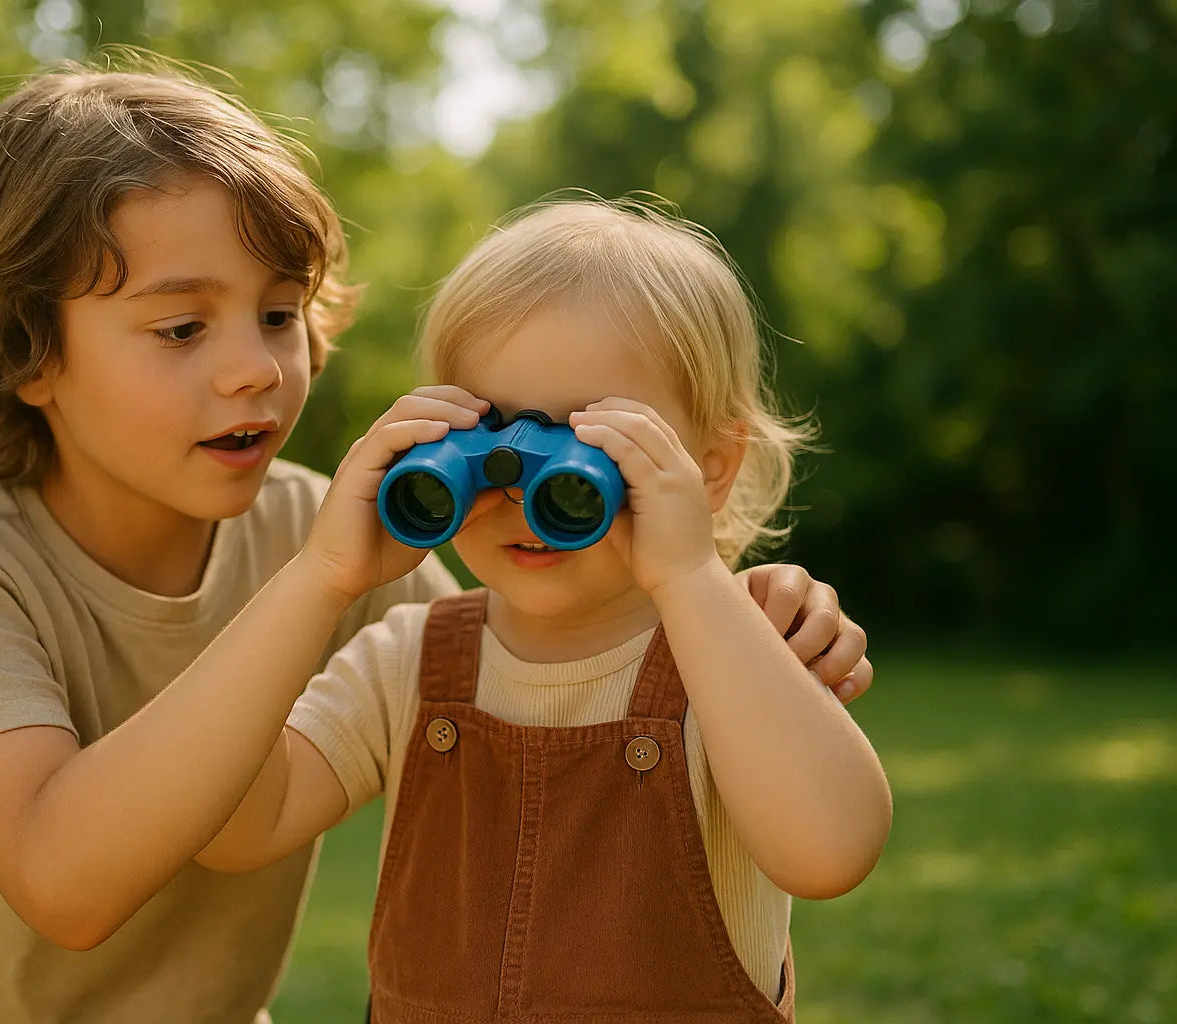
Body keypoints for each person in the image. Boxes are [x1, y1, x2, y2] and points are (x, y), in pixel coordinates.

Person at [0, 59, 875, 1024]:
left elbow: (552, 645)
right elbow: (78, 880)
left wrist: (738, 601)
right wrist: (323, 578)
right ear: (31, 352)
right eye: (181, 328)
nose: (255, 368)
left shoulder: (328, 539)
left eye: (280, 314)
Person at [195, 198, 892, 1022]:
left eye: (586, 450)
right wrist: (321, 577)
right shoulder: (407, 662)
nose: (524, 495)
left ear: (707, 469)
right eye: (483, 439)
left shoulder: (737, 661)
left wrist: (694, 578)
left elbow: (831, 853)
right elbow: (228, 827)